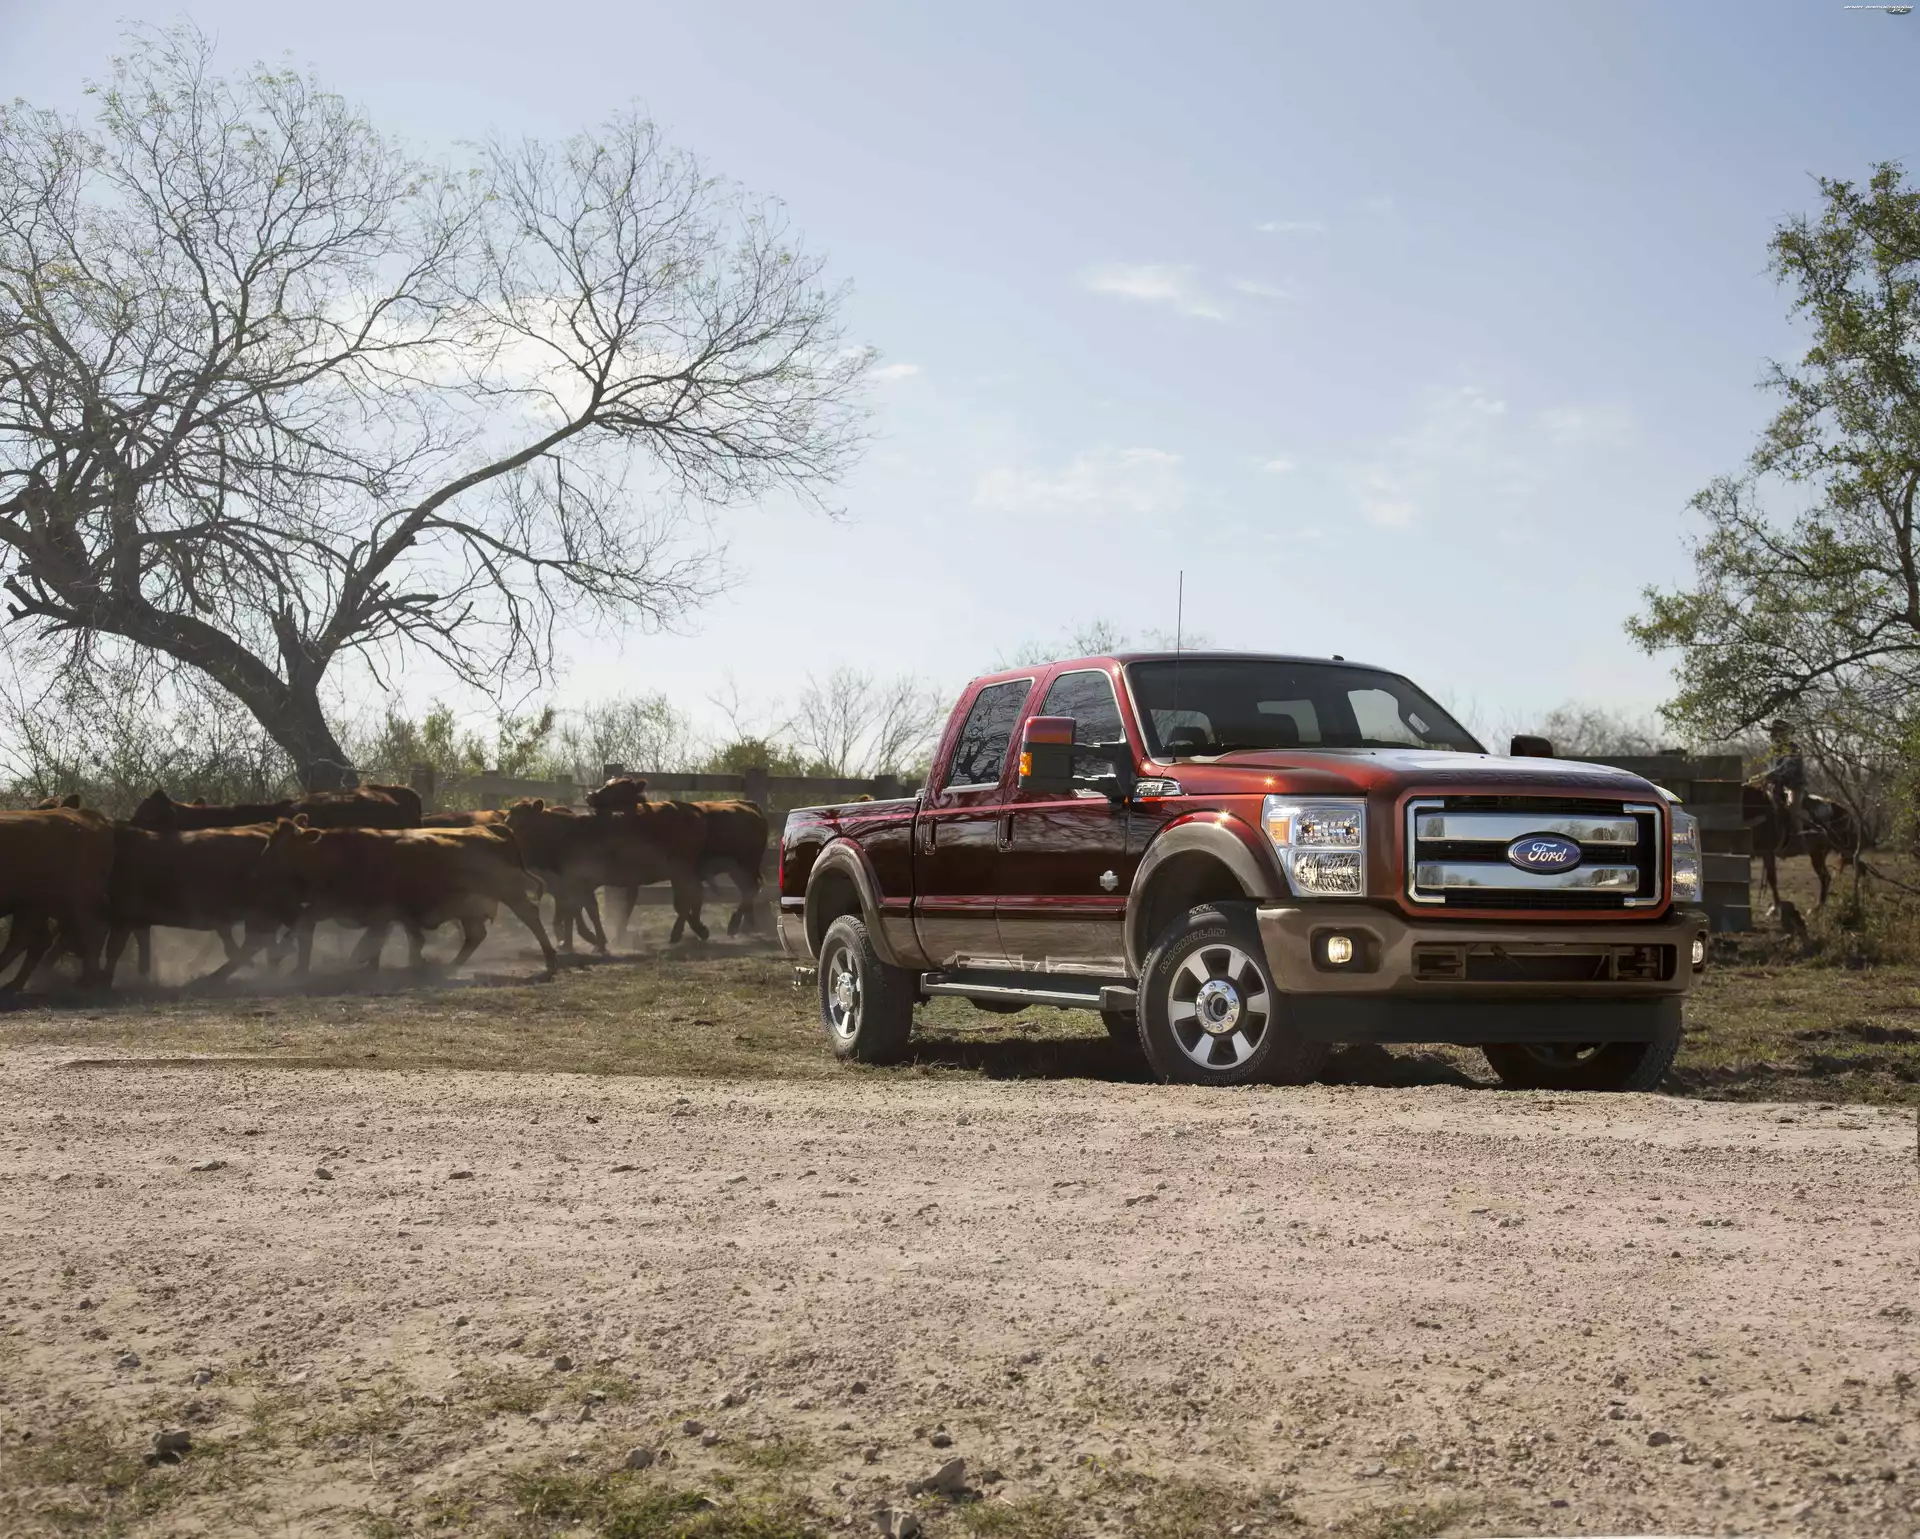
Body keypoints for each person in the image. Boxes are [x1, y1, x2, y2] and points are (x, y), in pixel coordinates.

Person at [1759, 720, 1810, 837]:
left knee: (1793, 809)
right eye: (1773, 732)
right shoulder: (1773, 751)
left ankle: (1800, 838)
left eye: (1777, 732)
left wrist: (1771, 775)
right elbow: (1769, 769)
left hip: (1794, 786)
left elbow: (1788, 769)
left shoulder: (1794, 749)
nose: (1773, 735)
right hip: (1775, 787)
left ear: (1784, 734)